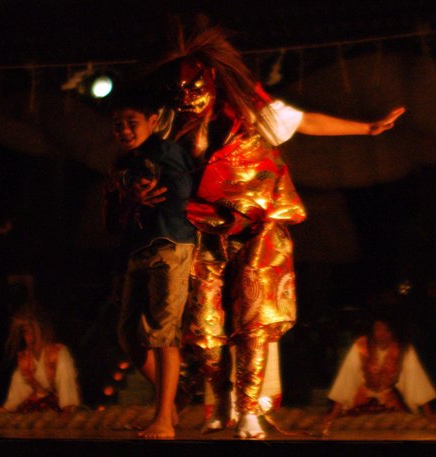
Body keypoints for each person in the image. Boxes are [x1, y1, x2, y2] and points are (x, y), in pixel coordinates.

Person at [138, 22, 406, 439]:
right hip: (204, 228)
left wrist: (366, 128)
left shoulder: (249, 111)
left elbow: (306, 122)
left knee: (254, 319)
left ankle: (248, 411)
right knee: (204, 326)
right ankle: (220, 402)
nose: (186, 97)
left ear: (211, 80)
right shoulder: (170, 124)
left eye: (192, 87)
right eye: (177, 89)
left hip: (259, 224)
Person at [104, 88, 196, 439]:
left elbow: (180, 192)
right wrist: (131, 199)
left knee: (162, 333)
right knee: (128, 334)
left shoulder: (165, 151)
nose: (125, 131)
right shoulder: (121, 164)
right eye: (118, 125)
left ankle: (163, 419)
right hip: (136, 252)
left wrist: (145, 195)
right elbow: (114, 220)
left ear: (153, 122)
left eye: (132, 123)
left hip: (169, 244)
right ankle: (174, 398)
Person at [322, 317, 436, 434]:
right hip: (361, 402)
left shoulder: (403, 348)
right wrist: (334, 413)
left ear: (393, 331)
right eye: (378, 329)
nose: (381, 333)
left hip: (391, 404)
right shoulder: (361, 346)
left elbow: (416, 378)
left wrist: (428, 414)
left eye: (386, 330)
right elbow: (347, 377)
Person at [0, 309, 81, 414]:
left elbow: (66, 381)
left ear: (43, 333)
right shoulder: (25, 359)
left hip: (57, 407)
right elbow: (18, 389)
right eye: (26, 333)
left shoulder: (58, 353)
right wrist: (7, 408)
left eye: (34, 333)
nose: (30, 338)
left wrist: (67, 408)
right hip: (36, 407)